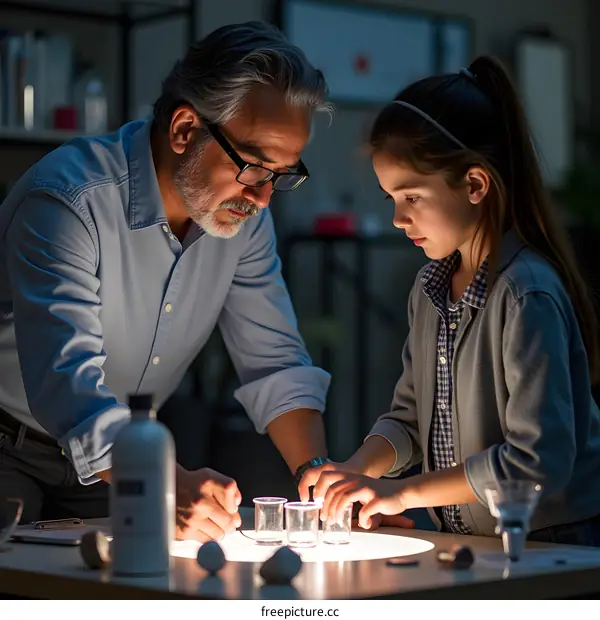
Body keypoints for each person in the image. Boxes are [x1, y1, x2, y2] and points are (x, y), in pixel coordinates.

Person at [0, 21, 334, 541]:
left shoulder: (245, 218)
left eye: (282, 175)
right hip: (10, 446)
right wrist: (167, 485)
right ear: (184, 130)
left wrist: (320, 480)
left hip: (118, 456)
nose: (265, 197)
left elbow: (273, 361)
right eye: (254, 167)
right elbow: (68, 386)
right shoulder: (69, 201)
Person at [299, 55, 600, 545]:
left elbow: (536, 464)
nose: (399, 218)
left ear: (475, 184)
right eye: (390, 199)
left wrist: (401, 494)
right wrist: (356, 470)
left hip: (555, 545)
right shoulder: (429, 289)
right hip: (473, 545)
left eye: (412, 197)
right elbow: (409, 421)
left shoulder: (526, 294)